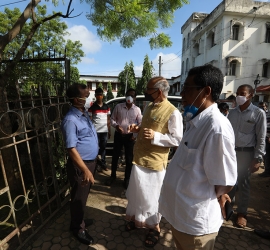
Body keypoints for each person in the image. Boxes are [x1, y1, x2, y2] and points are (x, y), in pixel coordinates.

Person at [159, 65, 237, 250]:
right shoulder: (196, 121)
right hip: (181, 217)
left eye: (187, 89)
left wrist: (220, 195)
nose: (183, 94)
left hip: (195, 224)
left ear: (206, 91)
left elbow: (225, 182)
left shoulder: (216, 128)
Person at [125, 76, 183, 248]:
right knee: (137, 193)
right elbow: (146, 128)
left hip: (156, 163)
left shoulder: (173, 112)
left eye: (148, 90)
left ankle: (154, 228)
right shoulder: (149, 106)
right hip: (140, 158)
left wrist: (156, 137)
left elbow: (177, 139)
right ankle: (136, 220)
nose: (145, 93)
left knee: (152, 197)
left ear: (158, 92)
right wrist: (137, 129)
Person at [61, 83, 98, 245]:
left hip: (91, 162)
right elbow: (71, 148)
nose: (89, 98)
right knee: (78, 198)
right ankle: (78, 228)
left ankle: (78, 220)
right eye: (86, 96)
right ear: (76, 99)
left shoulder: (83, 114)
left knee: (83, 197)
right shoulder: (70, 120)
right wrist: (85, 170)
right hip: (81, 166)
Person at [228, 84, 266, 228]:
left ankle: (242, 213)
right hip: (231, 153)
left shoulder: (258, 113)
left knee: (243, 184)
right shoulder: (232, 113)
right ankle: (227, 208)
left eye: (242, 93)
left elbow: (261, 137)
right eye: (238, 93)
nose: (239, 96)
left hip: (246, 153)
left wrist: (258, 158)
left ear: (251, 95)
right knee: (229, 181)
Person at [105, 88, 142, 189]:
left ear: (135, 98)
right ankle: (113, 176)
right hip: (118, 135)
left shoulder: (137, 110)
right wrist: (116, 126)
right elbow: (112, 119)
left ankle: (127, 179)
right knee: (115, 156)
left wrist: (134, 136)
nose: (130, 97)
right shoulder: (118, 107)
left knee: (129, 159)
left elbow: (140, 123)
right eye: (128, 95)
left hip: (130, 137)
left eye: (132, 95)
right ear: (125, 96)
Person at [89, 88, 111, 172]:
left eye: (100, 94)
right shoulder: (92, 107)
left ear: (103, 96)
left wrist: (109, 131)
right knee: (96, 148)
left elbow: (108, 120)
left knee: (103, 148)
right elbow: (90, 120)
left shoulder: (107, 107)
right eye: (97, 95)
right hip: (95, 132)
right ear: (95, 96)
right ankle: (97, 165)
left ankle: (103, 163)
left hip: (104, 132)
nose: (99, 96)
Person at [258, 102, 270, 177]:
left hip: (268, 137)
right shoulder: (261, 114)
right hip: (264, 137)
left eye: (263, 106)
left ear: (266, 107)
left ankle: (268, 171)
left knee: (268, 155)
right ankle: (267, 170)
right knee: (265, 155)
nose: (261, 108)